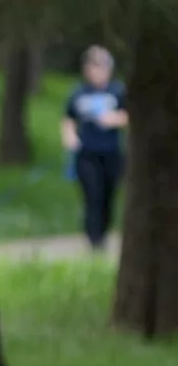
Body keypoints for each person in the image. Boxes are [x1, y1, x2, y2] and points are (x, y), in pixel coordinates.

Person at [60, 45, 128, 251]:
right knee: (92, 194)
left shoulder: (118, 91)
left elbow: (129, 115)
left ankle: (104, 233)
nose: (96, 71)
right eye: (92, 66)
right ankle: (94, 239)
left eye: (100, 66)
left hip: (111, 152)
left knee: (108, 195)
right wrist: (69, 137)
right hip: (86, 153)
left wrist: (114, 119)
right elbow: (68, 119)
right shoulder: (78, 93)